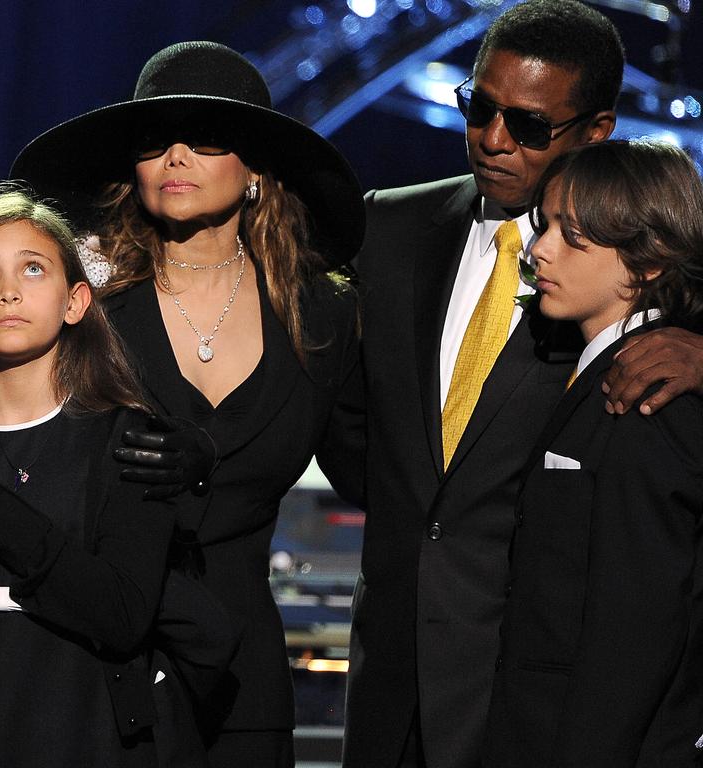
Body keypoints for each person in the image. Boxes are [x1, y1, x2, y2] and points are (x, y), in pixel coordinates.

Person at [343, 3, 703, 767]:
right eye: (480, 107)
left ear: (597, 128)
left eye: (530, 125)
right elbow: (350, 426)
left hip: (530, 701)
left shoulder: (634, 272)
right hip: (388, 685)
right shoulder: (388, 227)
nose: (494, 140)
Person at [11, 40, 367, 767]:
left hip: (244, 685)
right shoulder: (90, 309)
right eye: (154, 142)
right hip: (95, 668)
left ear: (257, 172)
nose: (175, 157)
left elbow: (380, 476)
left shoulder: (320, 320)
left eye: (204, 140)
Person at [0, 186, 231, 767]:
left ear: (75, 301)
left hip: (83, 728)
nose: (8, 292)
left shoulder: (129, 439)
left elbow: (122, 614)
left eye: (32, 268)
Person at [483, 139, 703, 767]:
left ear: (651, 258)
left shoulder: (649, 394)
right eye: (543, 225)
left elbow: (635, 628)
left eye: (573, 237)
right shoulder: (600, 371)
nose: (537, 251)